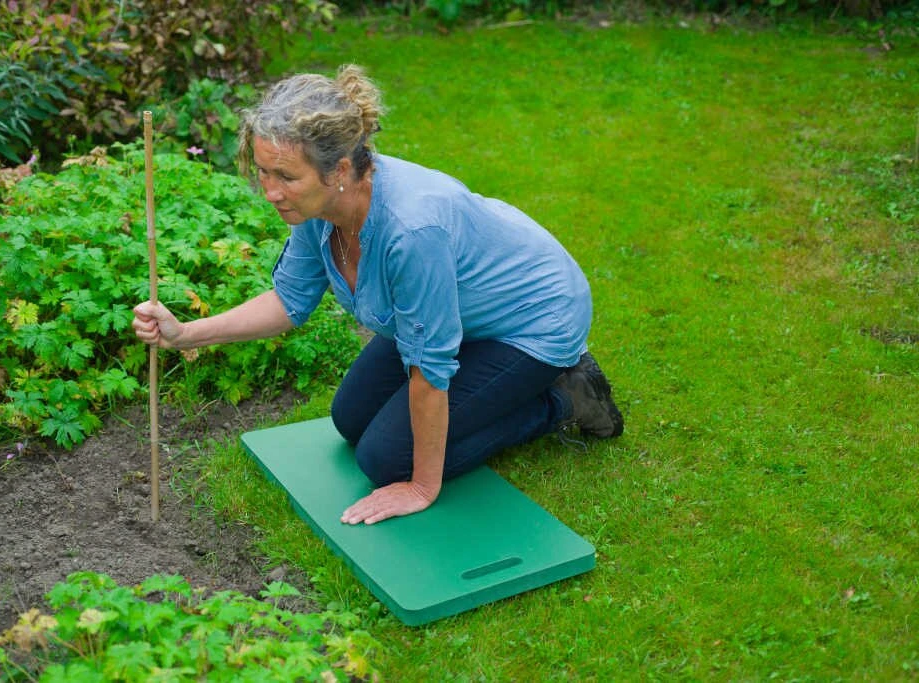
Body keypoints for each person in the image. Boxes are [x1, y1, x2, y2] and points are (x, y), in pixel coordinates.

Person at [132, 65, 623, 526]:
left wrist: (420, 487)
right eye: (264, 172)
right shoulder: (319, 207)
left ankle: (563, 398)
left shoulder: (410, 231)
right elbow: (289, 302)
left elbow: (430, 369)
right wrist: (185, 333)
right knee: (350, 419)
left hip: (531, 319)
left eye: (285, 177)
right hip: (461, 313)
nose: (270, 192)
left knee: (386, 458)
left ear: (339, 169)